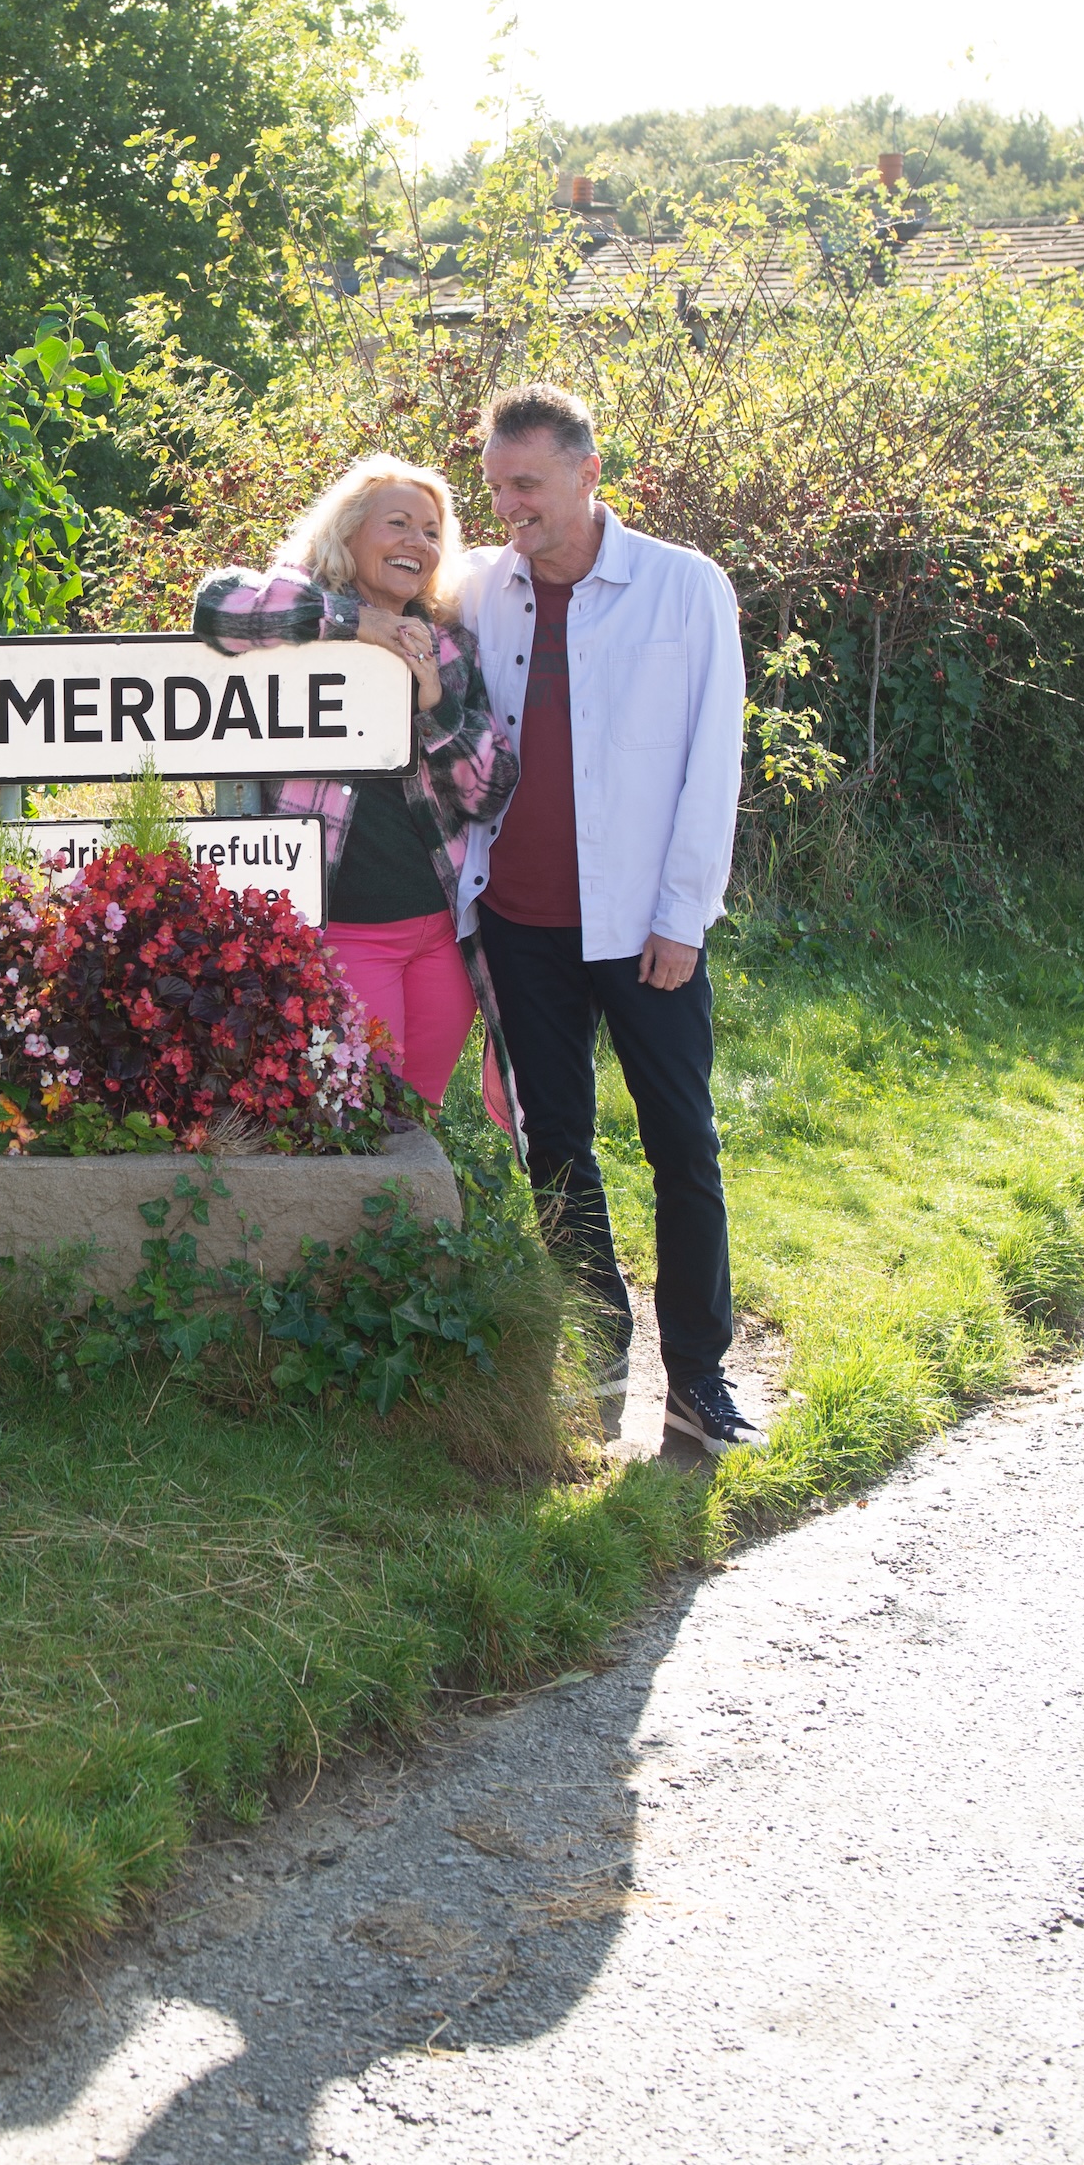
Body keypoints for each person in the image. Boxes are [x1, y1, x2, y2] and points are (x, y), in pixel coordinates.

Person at [454, 382, 754, 1458]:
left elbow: (710, 764)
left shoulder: (684, 588)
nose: (508, 508)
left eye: (525, 485)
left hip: (645, 932)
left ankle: (700, 1380)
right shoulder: (481, 588)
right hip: (518, 927)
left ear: (588, 472)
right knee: (556, 1158)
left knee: (684, 1146)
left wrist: (684, 916)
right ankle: (596, 1360)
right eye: (494, 488)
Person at [189, 454, 515, 1105]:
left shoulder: (447, 644)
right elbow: (218, 609)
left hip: (441, 934)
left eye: (431, 532)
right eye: (398, 523)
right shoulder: (293, 617)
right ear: (349, 531)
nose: (416, 542)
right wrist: (360, 624)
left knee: (414, 1115)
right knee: (358, 1114)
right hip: (344, 929)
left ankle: (408, 1212)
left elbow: (492, 787)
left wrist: (435, 710)